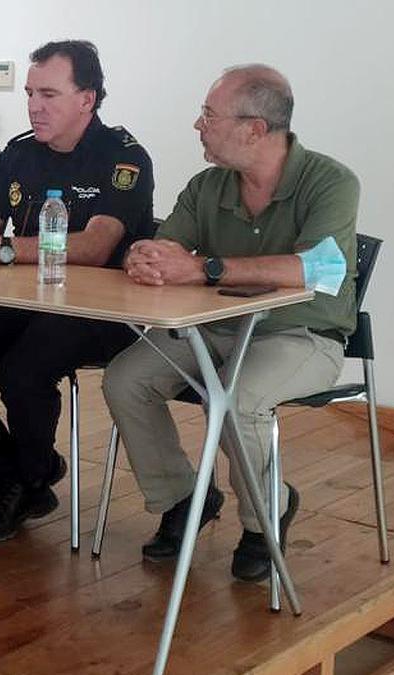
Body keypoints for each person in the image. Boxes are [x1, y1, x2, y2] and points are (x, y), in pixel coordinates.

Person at [103, 64, 359, 582]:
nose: (198, 125)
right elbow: (167, 245)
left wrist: (203, 267)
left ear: (255, 129)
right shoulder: (208, 185)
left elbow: (316, 268)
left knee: (237, 398)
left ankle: (265, 518)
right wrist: (146, 256)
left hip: (301, 333)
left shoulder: (331, 182)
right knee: (125, 379)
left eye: (208, 114)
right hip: (213, 327)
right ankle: (181, 499)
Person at [0, 40, 153, 543]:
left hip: (99, 313)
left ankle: (27, 478)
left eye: (50, 94)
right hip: (25, 302)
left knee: (24, 369)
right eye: (30, 93)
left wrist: (5, 249)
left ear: (88, 98)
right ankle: (10, 475)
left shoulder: (123, 157)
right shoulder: (19, 153)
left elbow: (99, 245)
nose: (35, 105)